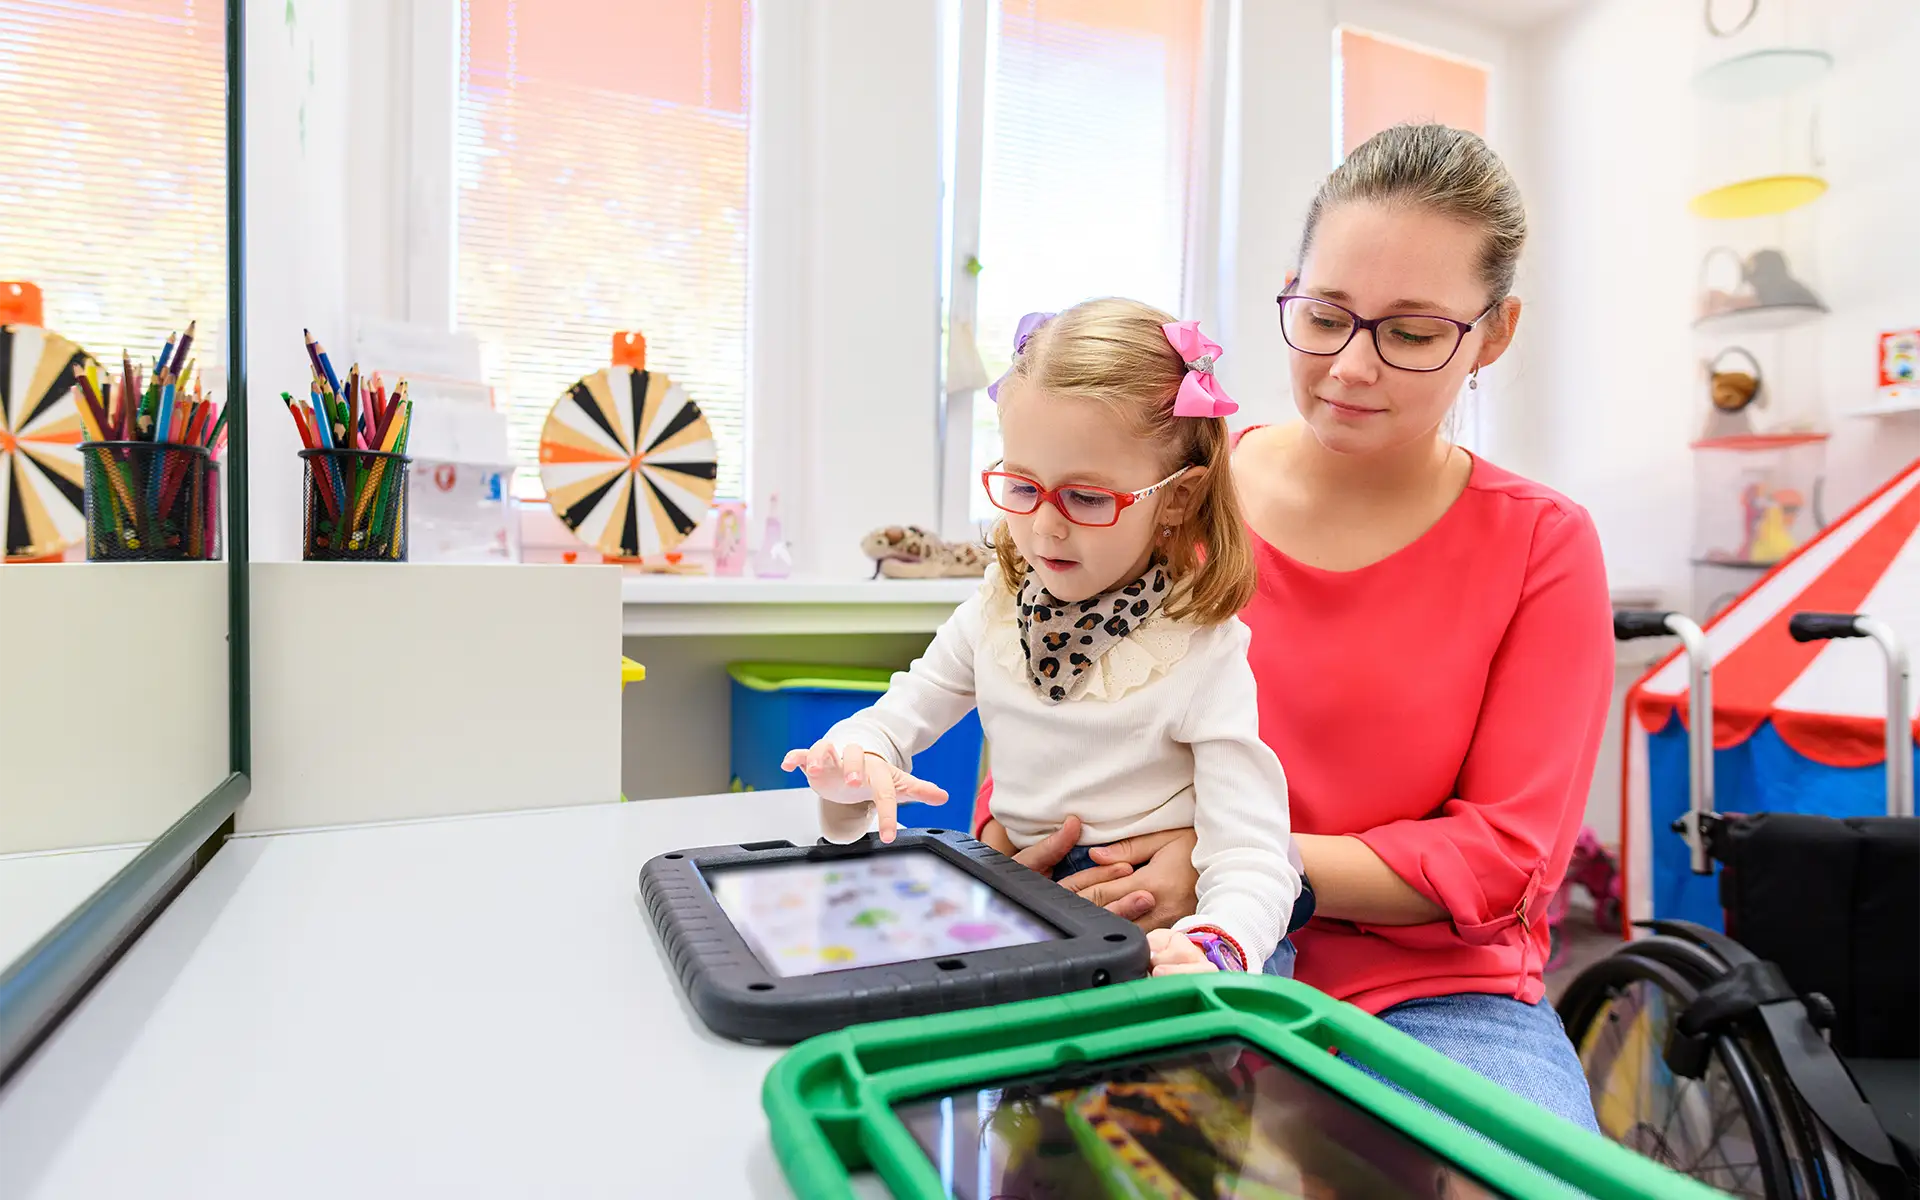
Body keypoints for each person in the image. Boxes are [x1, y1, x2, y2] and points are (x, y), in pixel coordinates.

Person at [995, 124, 1614, 1133]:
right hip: (1153, 943)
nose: (1351, 369)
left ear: (1493, 334)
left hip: (1432, 997)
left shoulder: (1541, 544)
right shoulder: (1171, 493)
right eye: (1325, 316)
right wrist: (1028, 838)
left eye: (1412, 334)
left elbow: (1506, 857)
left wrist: (1232, 854)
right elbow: (1042, 712)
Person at [784, 297, 1306, 978]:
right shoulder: (995, 611)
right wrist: (856, 760)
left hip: (1175, 925)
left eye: (1087, 499)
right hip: (1030, 900)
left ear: (1177, 498)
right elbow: (899, 714)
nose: (1046, 528)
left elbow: (1253, 850)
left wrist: (1216, 946)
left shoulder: (1201, 649)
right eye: (1023, 487)